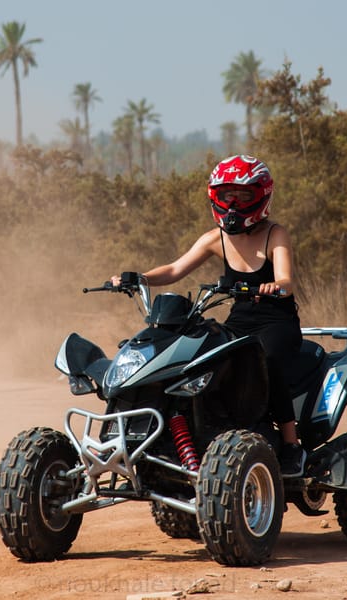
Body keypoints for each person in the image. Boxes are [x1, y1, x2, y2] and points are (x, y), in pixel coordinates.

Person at [111, 154, 306, 477]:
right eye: (227, 194)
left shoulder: (275, 234)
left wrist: (274, 286)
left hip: (276, 323)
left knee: (265, 361)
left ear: (261, 196)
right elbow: (175, 269)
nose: (233, 203)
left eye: (244, 195)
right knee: (202, 359)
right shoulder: (216, 238)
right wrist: (139, 277)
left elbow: (286, 280)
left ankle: (290, 445)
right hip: (238, 323)